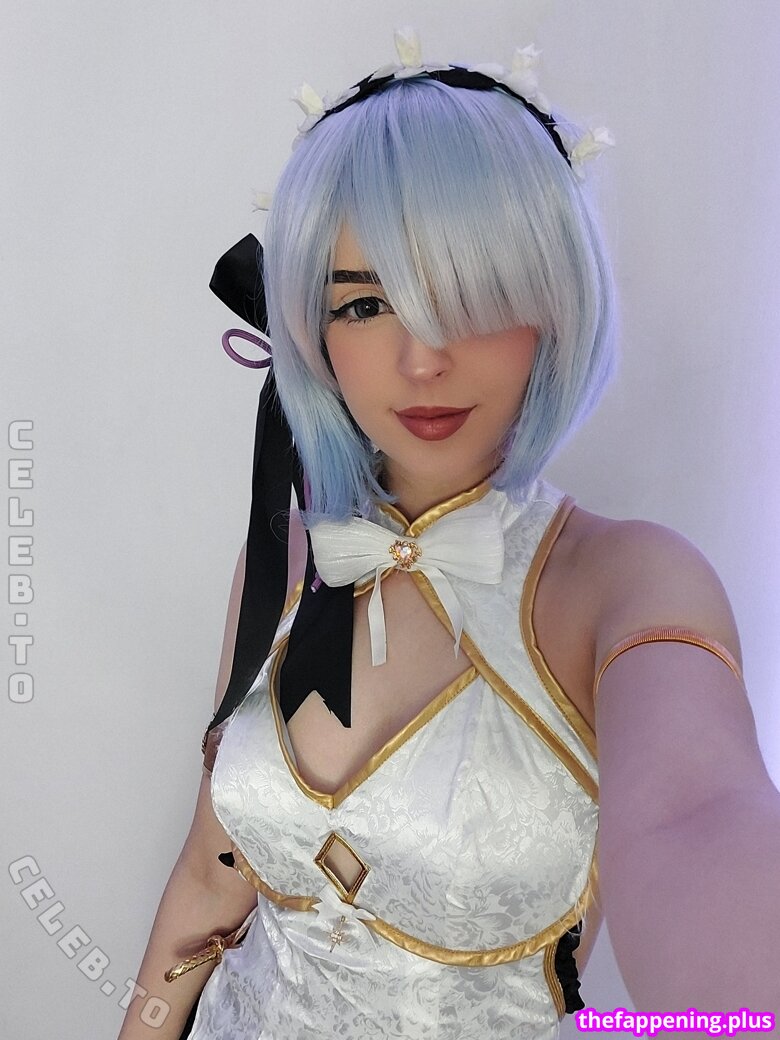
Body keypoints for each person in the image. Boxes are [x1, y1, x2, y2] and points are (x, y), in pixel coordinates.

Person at [117, 30, 780, 1040]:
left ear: (554, 306)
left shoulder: (627, 582)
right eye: (366, 302)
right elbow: (211, 881)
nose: (422, 358)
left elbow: (697, 817)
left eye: (472, 296)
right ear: (310, 328)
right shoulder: (281, 559)